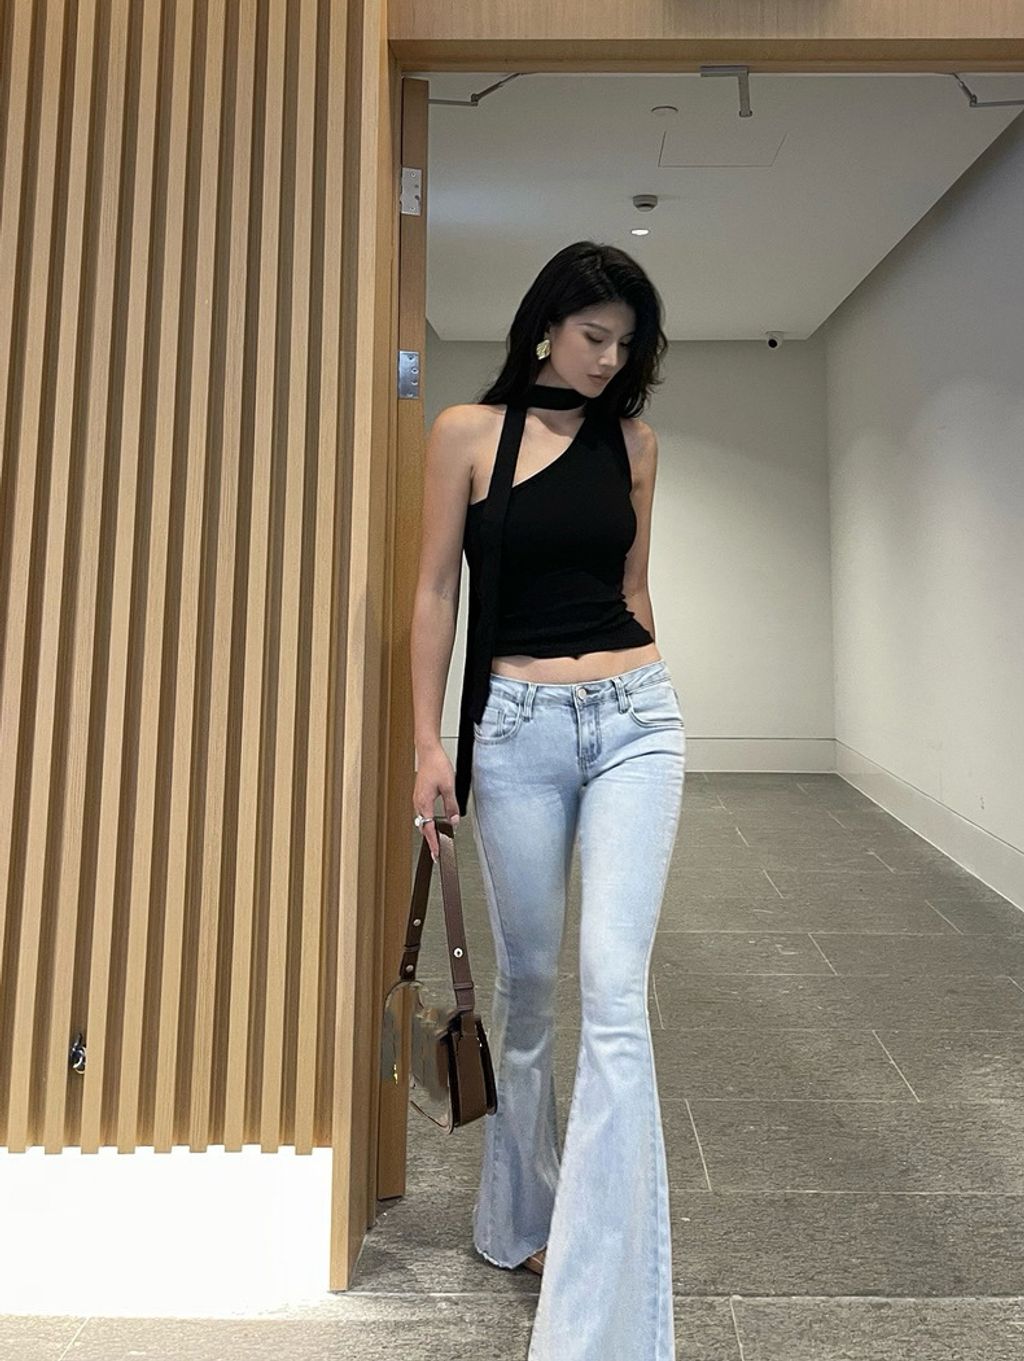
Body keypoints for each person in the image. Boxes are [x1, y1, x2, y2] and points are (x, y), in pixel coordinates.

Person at [410, 241, 685, 1361]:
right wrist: (427, 743)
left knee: (614, 994)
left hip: (635, 719)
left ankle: (602, 1296)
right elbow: (434, 588)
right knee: (527, 993)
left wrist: (651, 692)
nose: (608, 360)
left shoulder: (635, 444)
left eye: (624, 344)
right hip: (515, 730)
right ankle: (518, 1220)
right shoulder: (467, 433)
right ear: (545, 327)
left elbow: (633, 589)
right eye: (592, 337)